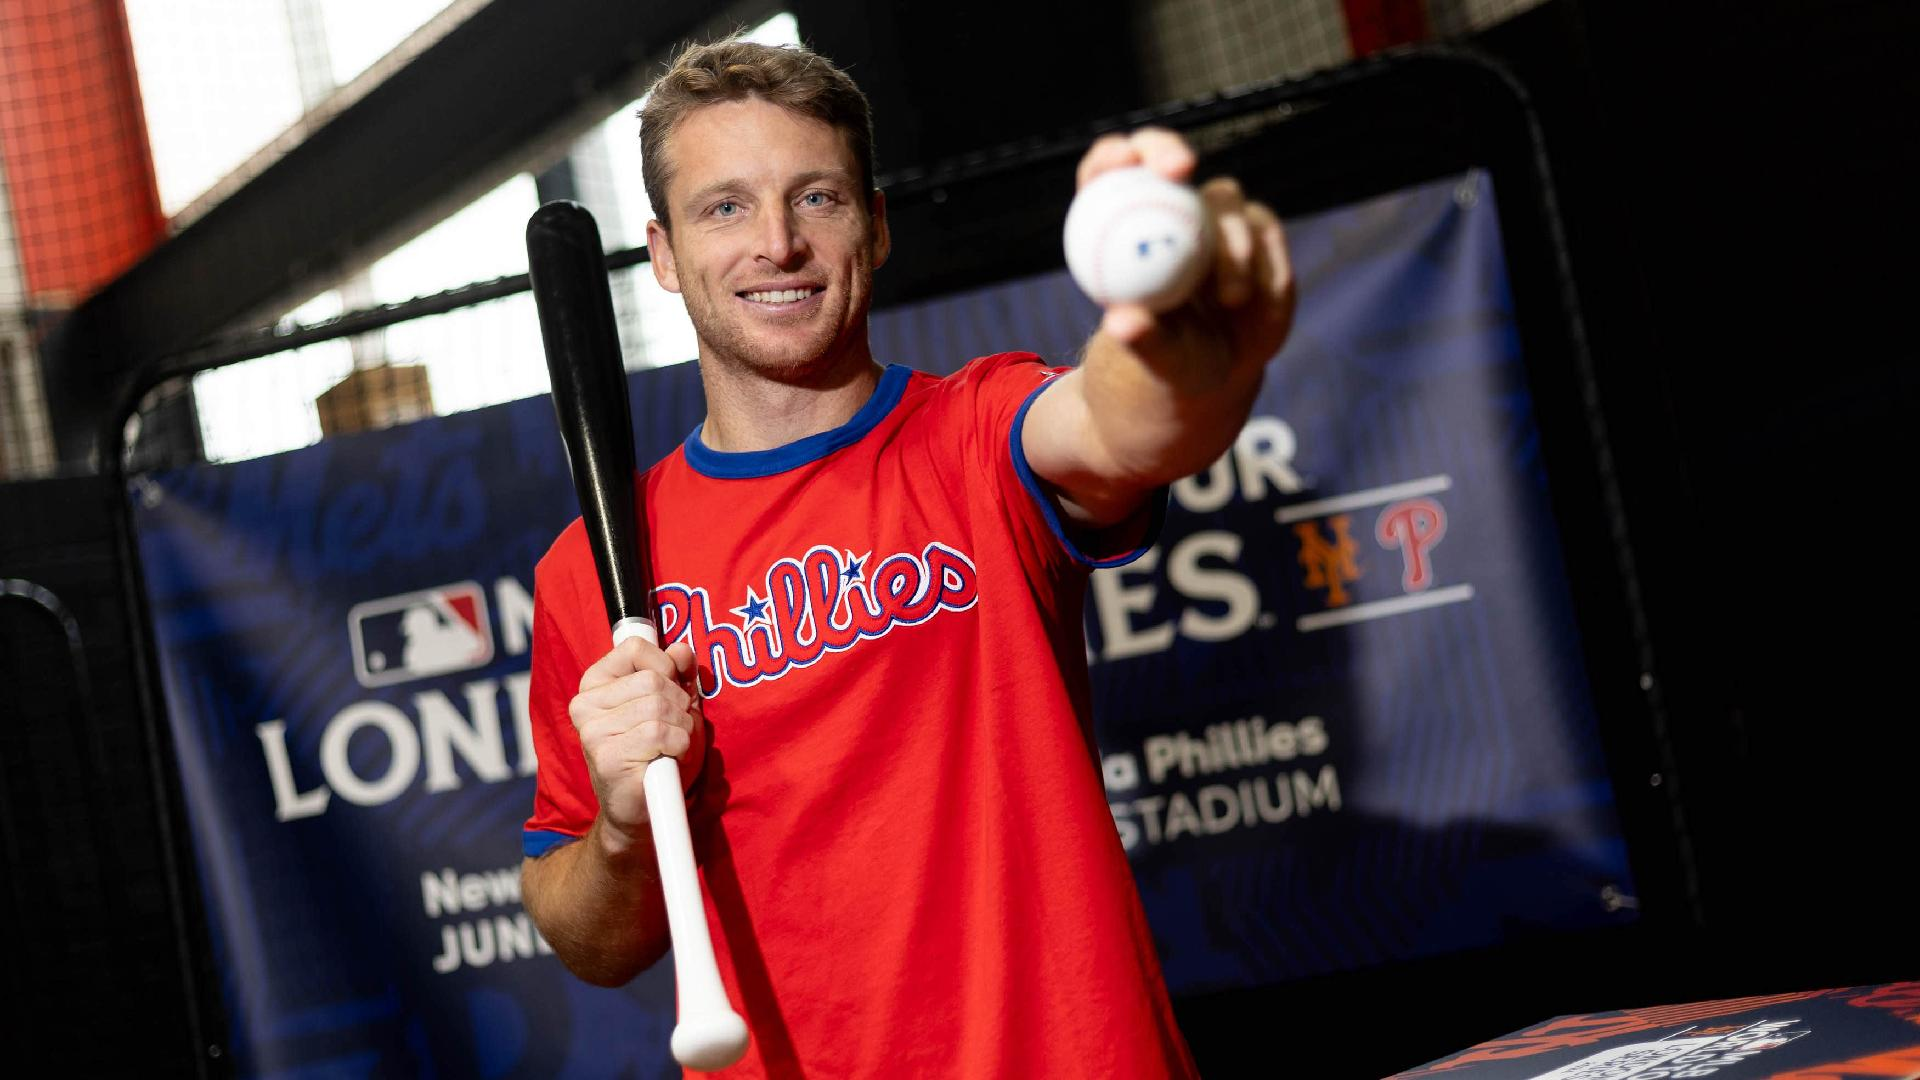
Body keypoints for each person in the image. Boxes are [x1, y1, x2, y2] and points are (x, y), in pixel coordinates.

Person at [520, 36, 1294, 1078]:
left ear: (876, 227)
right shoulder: (595, 571)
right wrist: (620, 825)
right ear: (663, 254)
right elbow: (588, 940)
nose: (778, 244)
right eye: (725, 208)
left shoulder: (971, 437)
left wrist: (1185, 355)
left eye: (819, 199)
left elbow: (1121, 427)